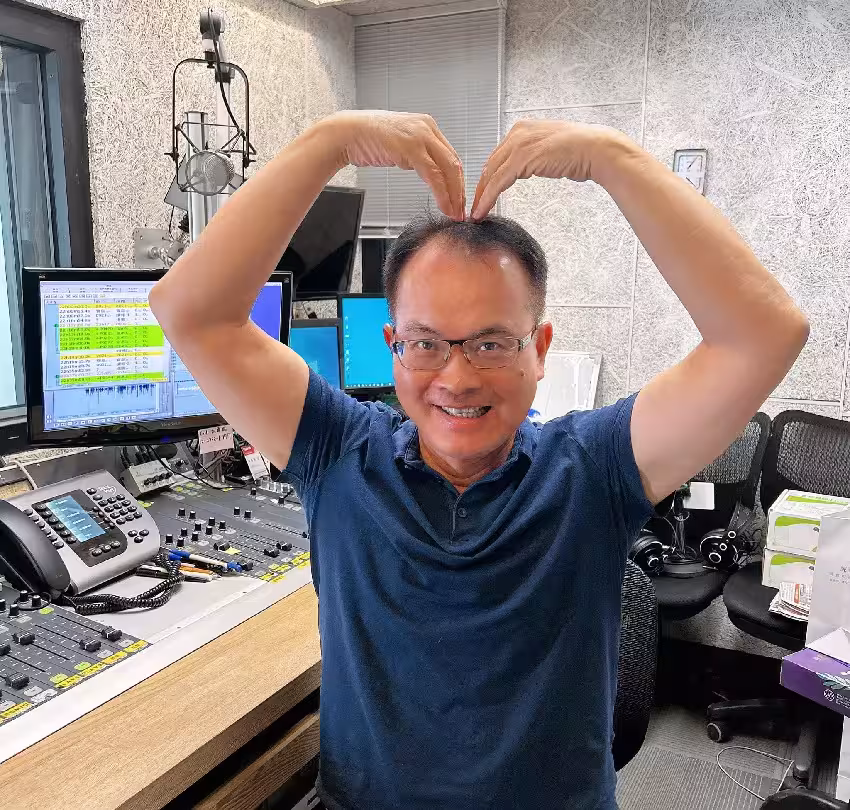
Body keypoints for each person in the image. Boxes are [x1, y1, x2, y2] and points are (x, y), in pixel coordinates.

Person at [149, 111, 808, 809]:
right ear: (393, 346)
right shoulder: (339, 452)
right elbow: (192, 311)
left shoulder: (595, 470)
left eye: (491, 343)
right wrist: (329, 141)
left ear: (540, 349)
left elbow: (763, 333)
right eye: (426, 343)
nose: (457, 378)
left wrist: (611, 158)